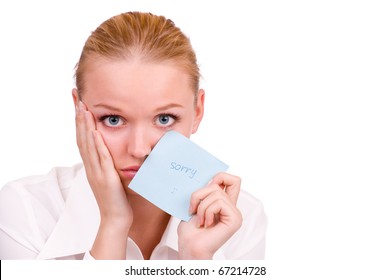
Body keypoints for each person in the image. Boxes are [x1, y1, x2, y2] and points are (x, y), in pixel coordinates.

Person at [0, 11, 267, 260]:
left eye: (164, 119)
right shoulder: (27, 210)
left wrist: (197, 261)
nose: (140, 149)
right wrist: (113, 222)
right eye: (113, 120)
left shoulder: (241, 219)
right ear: (78, 110)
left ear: (197, 111)